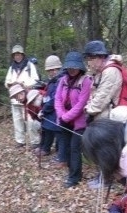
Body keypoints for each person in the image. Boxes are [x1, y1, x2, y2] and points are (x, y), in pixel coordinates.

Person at [82, 40, 125, 189]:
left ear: (99, 57)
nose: (89, 63)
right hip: (103, 116)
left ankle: (107, 179)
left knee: (106, 149)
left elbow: (101, 99)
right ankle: (104, 176)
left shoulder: (111, 72)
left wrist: (88, 110)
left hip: (110, 118)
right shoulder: (99, 73)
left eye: (91, 59)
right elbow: (94, 95)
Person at [54, 51, 92, 188]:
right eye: (70, 67)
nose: (72, 70)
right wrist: (61, 115)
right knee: (66, 148)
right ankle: (72, 171)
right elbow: (57, 99)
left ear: (80, 67)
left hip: (78, 122)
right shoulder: (63, 80)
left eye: (74, 67)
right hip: (64, 120)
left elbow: (81, 104)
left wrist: (66, 116)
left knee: (75, 148)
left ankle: (74, 177)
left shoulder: (86, 81)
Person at [4, 44, 41, 148]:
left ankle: (35, 141)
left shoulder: (30, 66)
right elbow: (6, 82)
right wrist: (12, 84)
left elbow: (36, 80)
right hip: (15, 99)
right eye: (15, 54)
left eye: (19, 54)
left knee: (30, 120)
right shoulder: (11, 68)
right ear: (13, 56)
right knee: (17, 121)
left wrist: (24, 84)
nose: (17, 56)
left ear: (22, 54)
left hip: (27, 98)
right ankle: (20, 141)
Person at [34, 55, 65, 162]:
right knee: (46, 129)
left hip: (57, 111)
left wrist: (45, 109)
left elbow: (54, 99)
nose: (52, 72)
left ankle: (61, 156)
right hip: (49, 111)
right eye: (50, 70)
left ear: (58, 68)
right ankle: (45, 148)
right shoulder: (52, 81)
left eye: (54, 69)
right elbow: (48, 96)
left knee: (60, 134)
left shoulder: (61, 80)